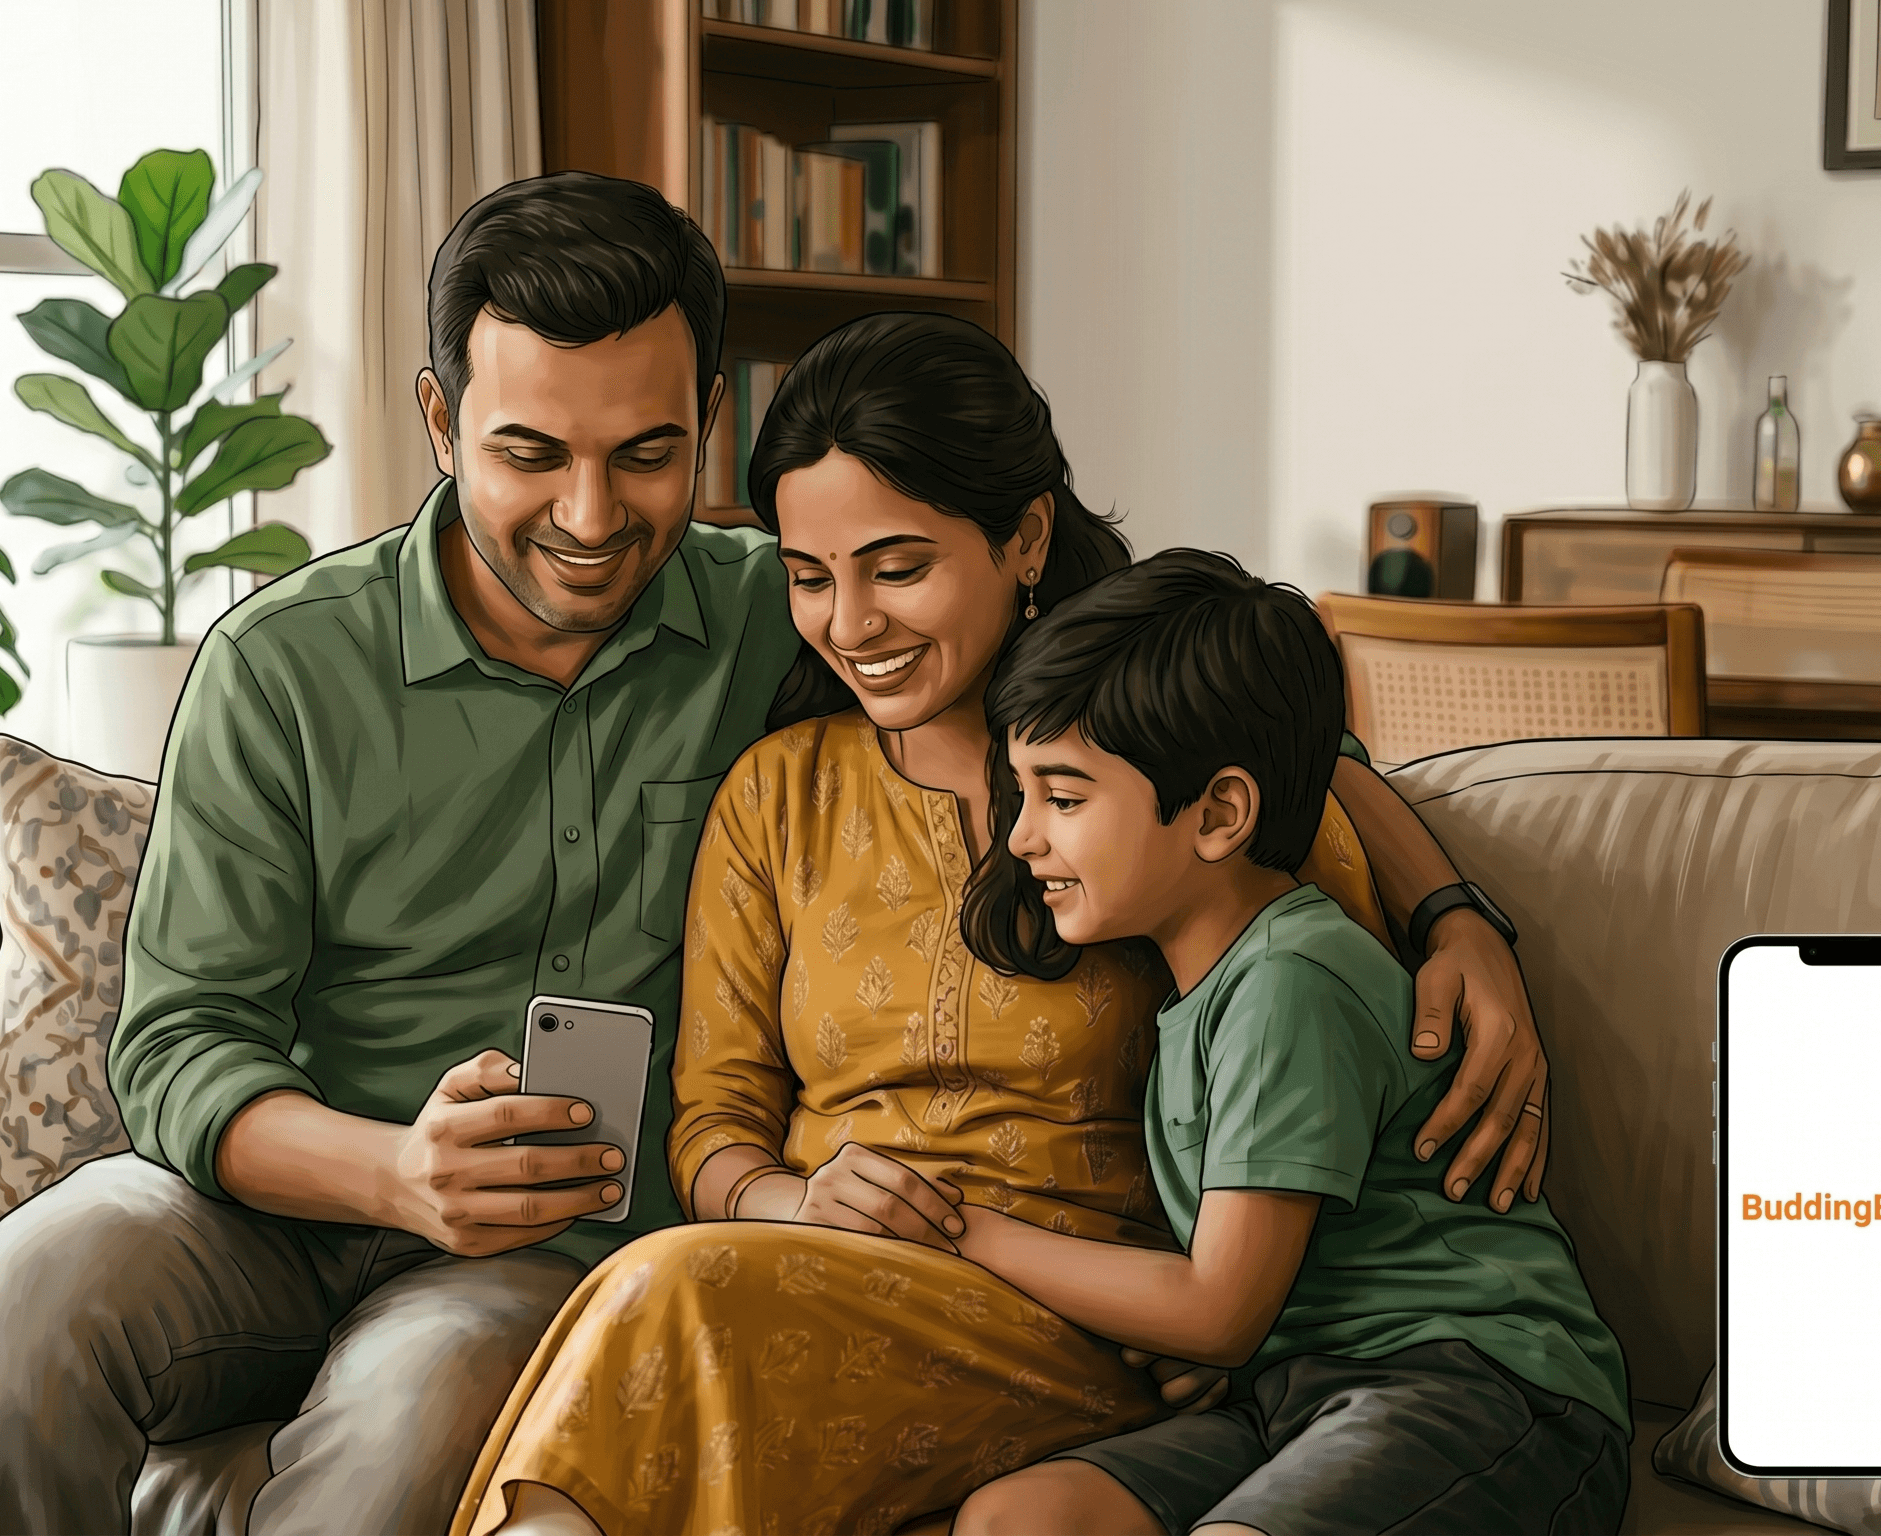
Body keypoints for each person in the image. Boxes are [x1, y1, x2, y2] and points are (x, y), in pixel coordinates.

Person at [0, 172, 1552, 1536]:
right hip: (277, 1198)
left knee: (421, 1418)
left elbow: (1225, 734)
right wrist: (392, 1168)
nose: (587, 514)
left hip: (558, 1250)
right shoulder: (289, 665)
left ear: (706, 420)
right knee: (30, 1296)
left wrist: (1454, 910)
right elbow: (180, 1046)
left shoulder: (771, 605)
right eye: (527, 453)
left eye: (642, 453)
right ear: (437, 419)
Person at [448, 314, 1566, 1536]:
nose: (852, 626)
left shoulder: (1143, 781)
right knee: (668, 1289)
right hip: (804, 1271)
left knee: (667, 1294)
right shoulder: (777, 793)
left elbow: (1300, 781)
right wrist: (797, 1203)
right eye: (810, 579)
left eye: (897, 567)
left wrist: (1458, 917)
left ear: (1025, 535)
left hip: (1086, 1328)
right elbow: (714, 1124)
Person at [946, 551, 1629, 1536]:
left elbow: (1217, 1308)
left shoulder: (1290, 979)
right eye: (1020, 793)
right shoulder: (1199, 994)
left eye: (1063, 797)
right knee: (1019, 1518)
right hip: (1299, 1398)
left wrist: (963, 1230)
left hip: (1487, 1391)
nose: (1019, 839)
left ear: (1219, 813)